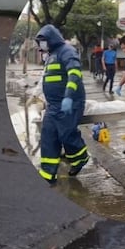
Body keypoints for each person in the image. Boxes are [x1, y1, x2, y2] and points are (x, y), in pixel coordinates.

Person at [34, 24, 89, 184]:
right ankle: (47, 174)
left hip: (70, 103)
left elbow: (74, 73)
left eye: (43, 41)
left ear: (51, 38)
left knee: (66, 134)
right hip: (53, 105)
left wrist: (69, 96)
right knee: (48, 136)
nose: (42, 45)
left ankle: (80, 158)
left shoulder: (67, 51)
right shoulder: (51, 55)